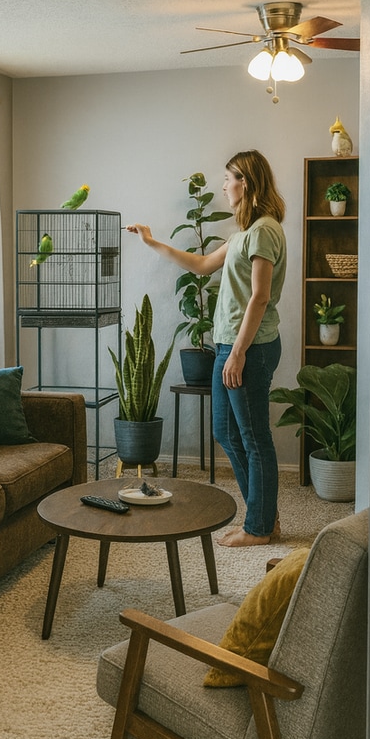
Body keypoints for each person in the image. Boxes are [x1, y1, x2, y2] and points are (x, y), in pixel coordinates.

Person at [126, 149, 286, 547]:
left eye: (229, 178)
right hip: (228, 344)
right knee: (227, 432)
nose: (224, 186)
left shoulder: (264, 230)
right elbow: (200, 265)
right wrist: (151, 242)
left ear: (245, 183)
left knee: (253, 437)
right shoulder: (244, 235)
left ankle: (260, 527)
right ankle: (264, 513)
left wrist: (238, 353)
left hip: (248, 348)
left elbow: (260, 297)